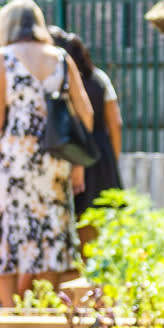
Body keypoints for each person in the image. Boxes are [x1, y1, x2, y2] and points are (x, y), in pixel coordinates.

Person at [0, 0, 93, 307]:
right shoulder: (61, 58)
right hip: (54, 162)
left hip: (12, 161)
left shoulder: (2, 58)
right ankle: (44, 312)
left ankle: (10, 313)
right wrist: (77, 164)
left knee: (8, 231)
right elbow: (86, 113)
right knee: (49, 230)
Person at [48, 26, 123, 223]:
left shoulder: (56, 79)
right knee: (99, 220)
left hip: (68, 150)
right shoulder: (100, 78)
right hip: (99, 152)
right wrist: (111, 160)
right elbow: (115, 123)